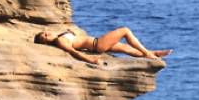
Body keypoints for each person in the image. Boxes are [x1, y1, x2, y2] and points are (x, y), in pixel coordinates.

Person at [34, 26, 172, 65]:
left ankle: (153, 54)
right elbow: (73, 52)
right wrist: (92, 60)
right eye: (44, 36)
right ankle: (147, 52)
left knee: (126, 48)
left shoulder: (59, 36)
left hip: (97, 44)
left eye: (45, 32)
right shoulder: (60, 41)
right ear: (46, 42)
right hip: (97, 44)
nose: (47, 33)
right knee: (125, 30)